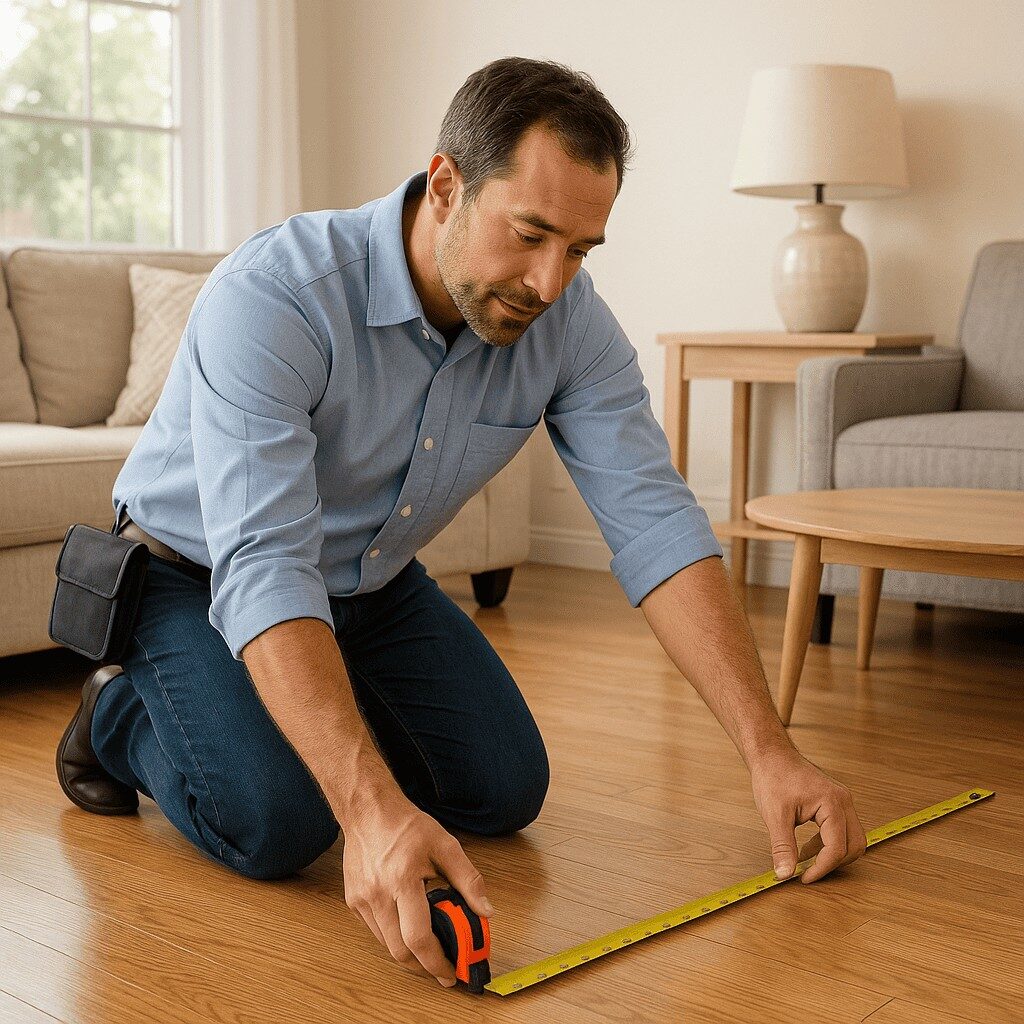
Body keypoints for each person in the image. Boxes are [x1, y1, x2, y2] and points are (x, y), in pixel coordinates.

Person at [56, 56, 866, 989]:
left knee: (501, 787)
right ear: (446, 185)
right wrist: (369, 814)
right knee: (281, 823)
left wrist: (771, 753)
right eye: (529, 234)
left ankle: (308, 713)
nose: (550, 281)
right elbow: (266, 563)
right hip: (190, 574)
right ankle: (118, 710)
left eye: (580, 250)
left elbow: (657, 523)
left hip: (367, 577)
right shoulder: (276, 295)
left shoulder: (566, 321)